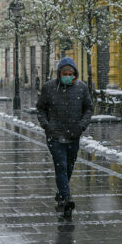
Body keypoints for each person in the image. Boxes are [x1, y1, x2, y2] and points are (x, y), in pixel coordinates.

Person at [36, 57, 93, 217]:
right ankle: (67, 198)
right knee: (60, 165)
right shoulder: (49, 88)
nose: (68, 75)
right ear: (59, 74)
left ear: (75, 73)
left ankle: (61, 193)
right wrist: (47, 126)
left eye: (71, 73)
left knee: (69, 166)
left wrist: (81, 126)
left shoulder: (81, 88)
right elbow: (40, 108)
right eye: (64, 73)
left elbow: (89, 108)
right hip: (55, 136)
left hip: (74, 135)